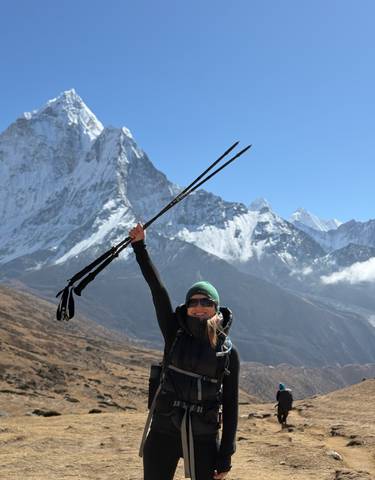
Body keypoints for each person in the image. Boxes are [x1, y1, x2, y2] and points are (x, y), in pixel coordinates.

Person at [129, 223, 240, 480]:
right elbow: (158, 290)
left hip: (204, 435)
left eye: (206, 302)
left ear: (216, 308)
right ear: (187, 306)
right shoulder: (173, 331)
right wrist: (139, 247)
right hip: (164, 430)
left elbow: (231, 406)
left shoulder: (227, 352)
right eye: (194, 302)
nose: (199, 307)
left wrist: (226, 454)